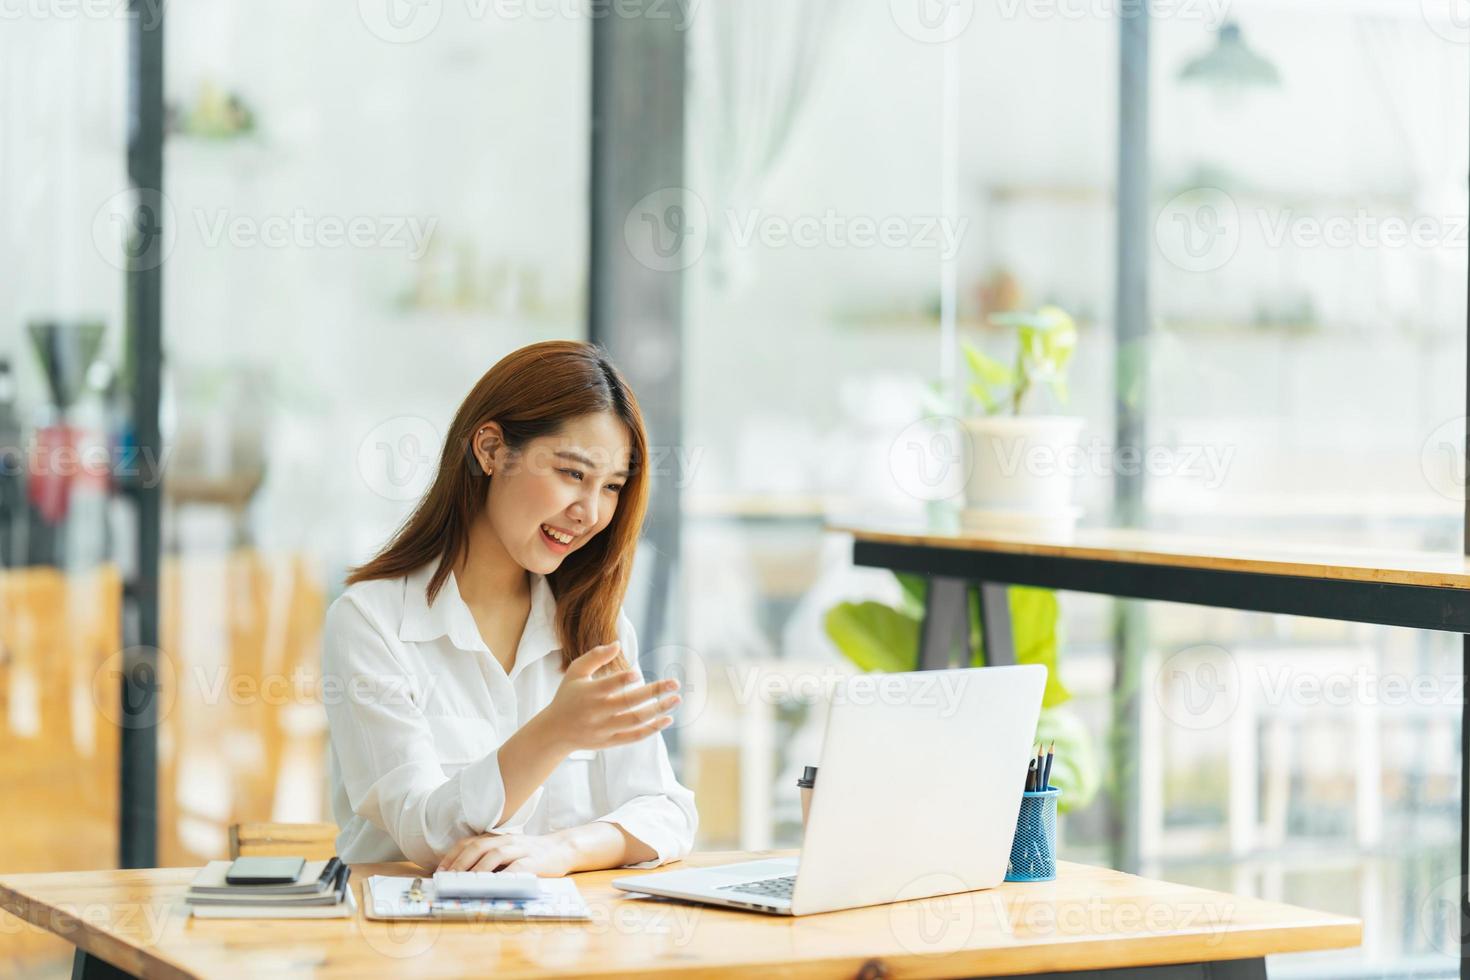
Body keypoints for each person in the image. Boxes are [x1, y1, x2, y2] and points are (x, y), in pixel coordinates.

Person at [322, 340, 696, 874]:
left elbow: (667, 810)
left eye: (611, 487)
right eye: (572, 474)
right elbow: (426, 835)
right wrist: (555, 731)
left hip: (565, 948)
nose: (589, 513)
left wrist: (560, 850)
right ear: (491, 449)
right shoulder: (370, 622)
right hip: (407, 945)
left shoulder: (596, 628)